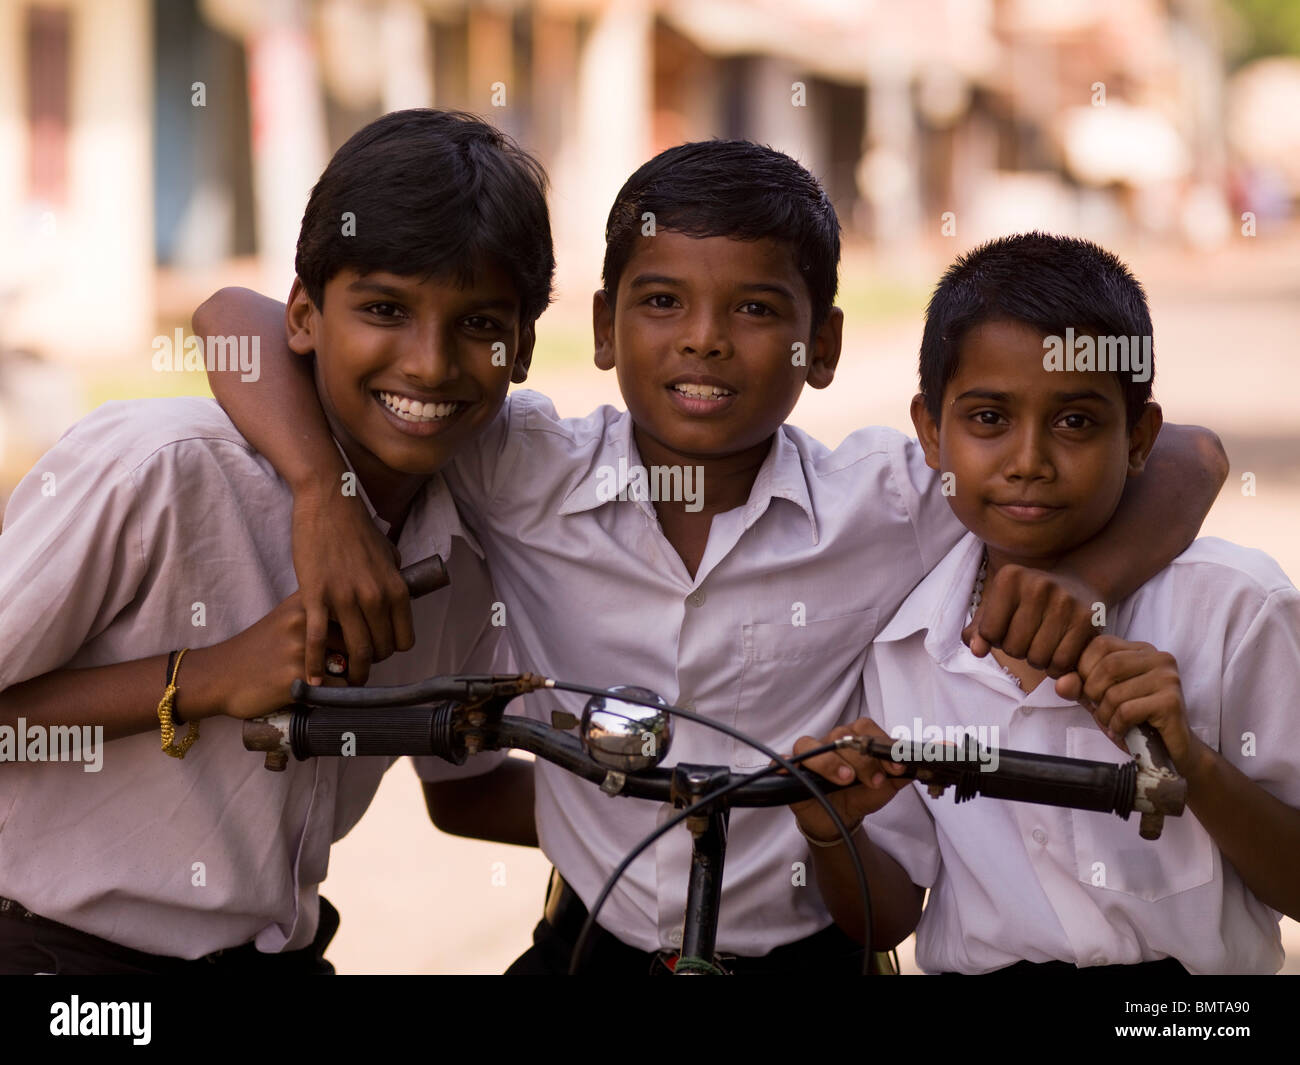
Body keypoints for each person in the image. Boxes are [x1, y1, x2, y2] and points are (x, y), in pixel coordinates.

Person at [195, 144, 1227, 974]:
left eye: (754, 310)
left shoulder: (889, 500)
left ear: (818, 348)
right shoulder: (519, 468)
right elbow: (233, 317)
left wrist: (1086, 581)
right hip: (589, 940)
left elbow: (1188, 451)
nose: (703, 341)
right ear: (602, 329)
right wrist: (318, 493)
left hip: (817, 949)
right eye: (660, 303)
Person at [0, 109, 551, 974]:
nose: (431, 363)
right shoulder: (161, 473)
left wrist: (685, 813)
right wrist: (208, 677)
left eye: (480, 324)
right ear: (303, 314)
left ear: (521, 349)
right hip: (56, 956)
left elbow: (466, 789)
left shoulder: (476, 529)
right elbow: (223, 311)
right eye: (384, 309)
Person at [794, 232, 1300, 974]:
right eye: (989, 419)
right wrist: (831, 829)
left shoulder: (1234, 608)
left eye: (1075, 422)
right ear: (931, 432)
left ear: (1139, 438)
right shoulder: (906, 641)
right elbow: (889, 916)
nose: (1029, 460)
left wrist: (1189, 758)